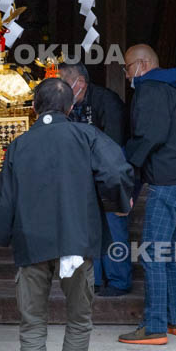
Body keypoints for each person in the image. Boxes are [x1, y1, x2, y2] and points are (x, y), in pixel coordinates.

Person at [0, 78, 134, 351]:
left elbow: (5, 199)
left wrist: (3, 237)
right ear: (71, 108)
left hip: (32, 241)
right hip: (76, 240)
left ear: (33, 108)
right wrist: (119, 203)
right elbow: (116, 170)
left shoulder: (19, 145)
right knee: (79, 320)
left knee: (32, 324)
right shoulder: (86, 136)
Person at [118, 44, 176, 346]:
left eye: (127, 68)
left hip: (167, 183)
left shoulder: (149, 89)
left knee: (153, 254)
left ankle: (153, 327)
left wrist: (125, 169)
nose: (127, 75)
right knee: (168, 254)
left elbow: (148, 137)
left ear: (141, 65)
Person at [58, 61, 132, 296]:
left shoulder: (106, 101)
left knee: (114, 226)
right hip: (82, 175)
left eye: (64, 86)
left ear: (79, 83)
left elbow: (114, 148)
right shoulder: (67, 107)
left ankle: (119, 281)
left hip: (109, 173)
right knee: (90, 227)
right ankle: (96, 279)